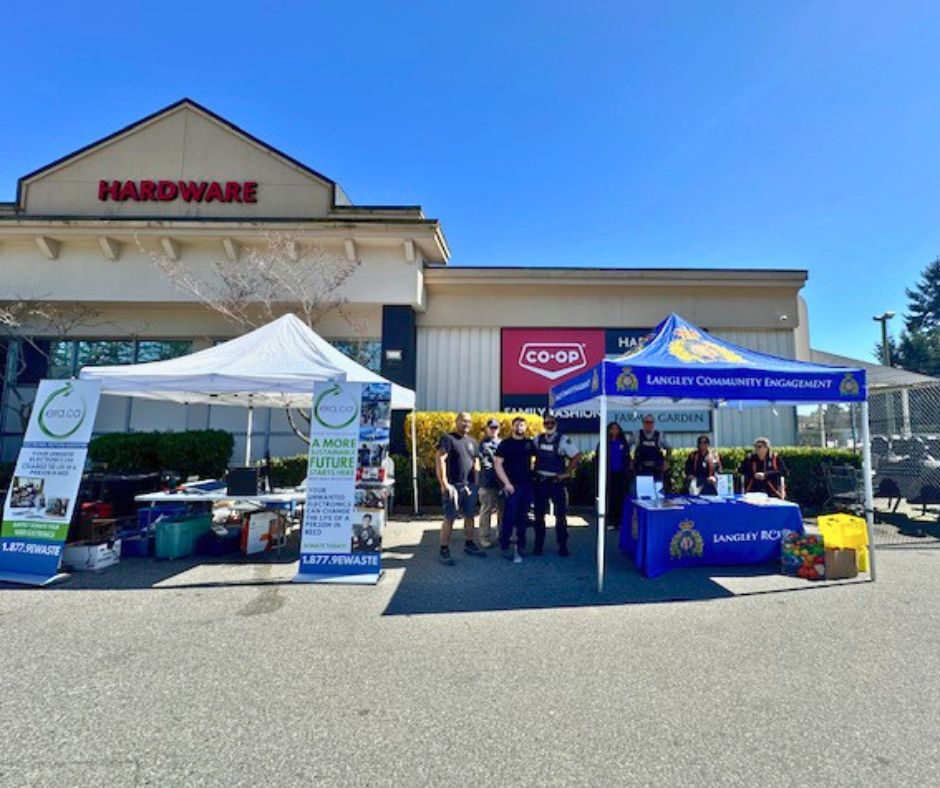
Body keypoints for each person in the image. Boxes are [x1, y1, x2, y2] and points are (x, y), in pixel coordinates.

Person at [436, 411, 485, 565]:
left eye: (469, 422)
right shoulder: (448, 438)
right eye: (463, 421)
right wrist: (444, 483)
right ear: (457, 421)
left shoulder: (472, 441)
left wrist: (476, 484)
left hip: (469, 486)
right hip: (453, 486)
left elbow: (476, 461)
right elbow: (440, 459)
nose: (466, 424)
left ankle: (469, 544)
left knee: (470, 517)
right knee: (449, 518)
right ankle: (444, 549)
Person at [532, 412, 581, 556]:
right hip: (541, 482)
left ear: (556, 424)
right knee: (538, 515)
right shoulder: (537, 439)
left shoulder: (563, 440)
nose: (549, 425)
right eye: (546, 423)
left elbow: (577, 456)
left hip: (556, 482)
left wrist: (567, 472)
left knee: (561, 516)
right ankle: (538, 546)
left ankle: (563, 546)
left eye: (551, 423)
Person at [494, 416, 537, 561]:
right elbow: (498, 464)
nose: (519, 427)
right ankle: (505, 546)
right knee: (509, 517)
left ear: (525, 427)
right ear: (512, 427)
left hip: (526, 486)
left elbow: (537, 460)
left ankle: (521, 545)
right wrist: (506, 483)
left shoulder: (529, 444)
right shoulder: (505, 444)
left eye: (522, 425)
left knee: (523, 518)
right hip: (511, 487)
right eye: (517, 425)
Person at [595, 421, 632, 530]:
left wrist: (628, 470)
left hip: (621, 474)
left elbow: (627, 457)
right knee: (610, 497)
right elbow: (598, 458)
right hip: (608, 474)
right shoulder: (604, 442)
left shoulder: (623, 442)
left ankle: (619, 522)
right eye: (612, 429)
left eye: (616, 428)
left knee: (621, 497)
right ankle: (610, 521)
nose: (614, 431)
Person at [477, 418, 503, 549]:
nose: (493, 430)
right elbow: (484, 463)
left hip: (502, 483)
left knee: (502, 510)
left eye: (495, 427)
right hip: (487, 482)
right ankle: (484, 537)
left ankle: (502, 535)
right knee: (486, 511)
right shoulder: (483, 445)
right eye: (491, 428)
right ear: (487, 429)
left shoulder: (503, 443)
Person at [631, 414, 671, 490]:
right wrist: (630, 461)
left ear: (653, 423)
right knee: (641, 490)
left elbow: (669, 448)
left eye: (651, 422)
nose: (648, 424)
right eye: (646, 422)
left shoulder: (659, 435)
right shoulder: (636, 434)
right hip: (640, 468)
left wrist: (666, 461)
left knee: (658, 491)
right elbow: (626, 447)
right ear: (643, 423)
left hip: (656, 469)